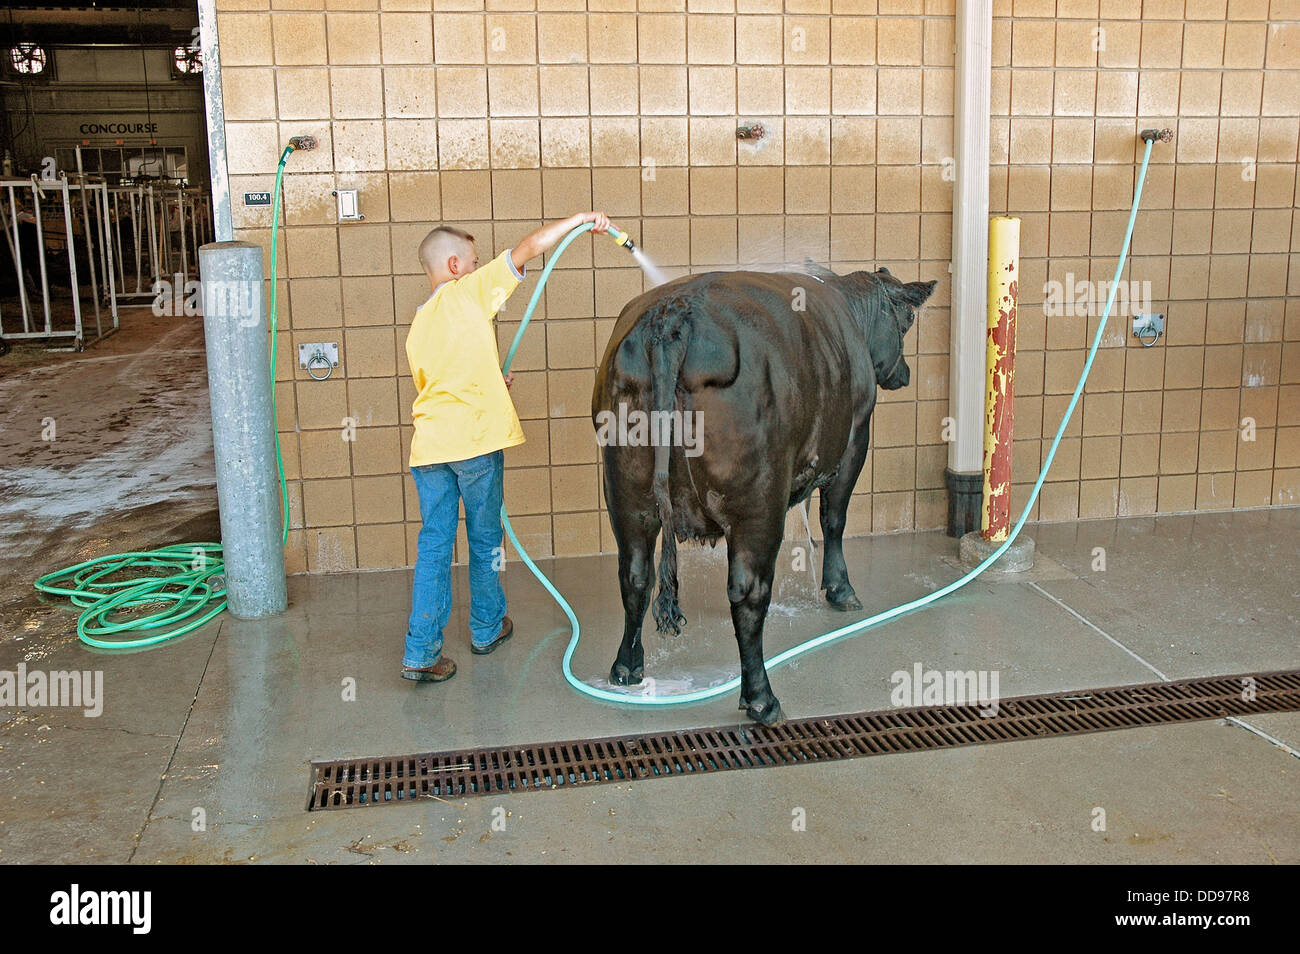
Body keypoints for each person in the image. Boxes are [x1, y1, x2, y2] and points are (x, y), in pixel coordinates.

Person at [402, 211, 612, 683]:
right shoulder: (469, 293)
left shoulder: (419, 323)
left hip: (431, 448)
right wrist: (581, 219)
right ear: (455, 265)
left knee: (434, 545)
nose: (480, 268)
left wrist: (490, 381)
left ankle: (420, 653)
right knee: (483, 541)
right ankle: (486, 629)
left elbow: (437, 384)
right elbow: (531, 246)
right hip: (474, 444)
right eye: (474, 262)